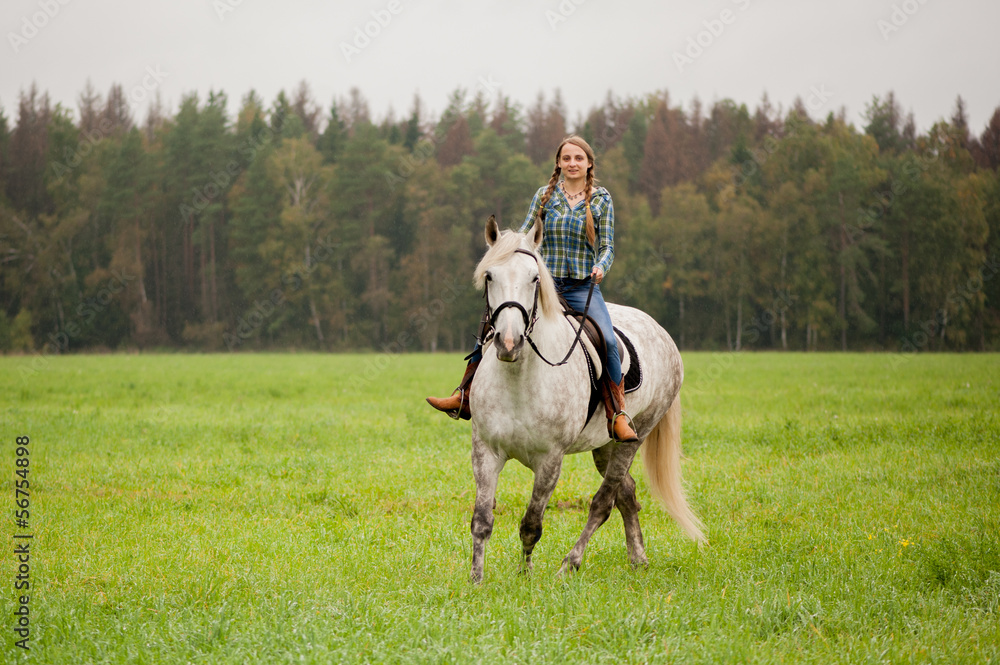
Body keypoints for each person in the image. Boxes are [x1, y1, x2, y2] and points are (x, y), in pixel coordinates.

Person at [426, 135, 638, 443]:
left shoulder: (602, 198)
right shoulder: (545, 194)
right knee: (491, 324)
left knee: (606, 338)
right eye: (566, 158)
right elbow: (525, 236)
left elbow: (607, 245)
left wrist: (601, 266)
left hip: (581, 286)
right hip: (543, 285)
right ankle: (464, 394)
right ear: (558, 163)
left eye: (578, 158)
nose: (572, 163)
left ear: (589, 163)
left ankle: (617, 413)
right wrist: (506, 253)